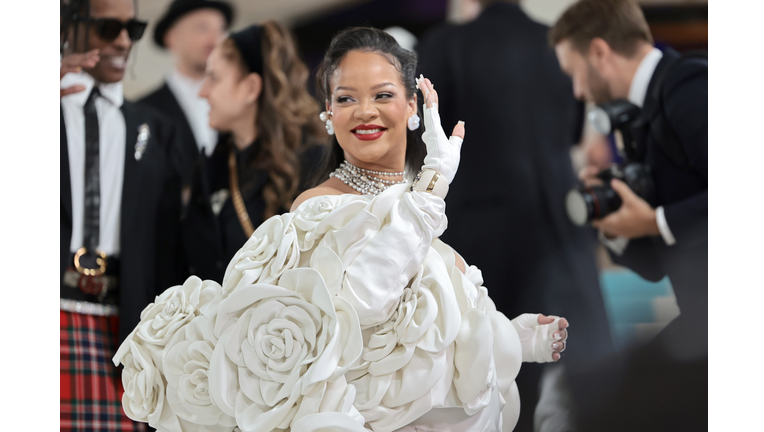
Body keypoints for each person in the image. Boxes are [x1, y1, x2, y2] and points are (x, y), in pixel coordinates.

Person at [114, 27, 570, 432]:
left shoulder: (416, 203)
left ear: (412, 105)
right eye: (347, 99)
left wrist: (517, 338)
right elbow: (361, 306)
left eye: (383, 95)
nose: (365, 112)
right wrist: (431, 189)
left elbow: (434, 329)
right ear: (328, 113)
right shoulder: (319, 207)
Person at [416, 1, 615, 430]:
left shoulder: (447, 45)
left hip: (483, 234)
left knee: (494, 377)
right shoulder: (556, 42)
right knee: (593, 372)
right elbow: (573, 129)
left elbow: (430, 137)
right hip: (560, 222)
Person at [550, 0, 707, 430]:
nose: (577, 92)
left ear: (599, 52)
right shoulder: (638, 116)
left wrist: (656, 221)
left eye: (574, 73)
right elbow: (654, 267)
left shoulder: (689, 86)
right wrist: (616, 224)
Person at [59, 0, 190, 430]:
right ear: (69, 28)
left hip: (128, 327)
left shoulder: (157, 129)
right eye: (107, 28)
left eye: (131, 30)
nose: (122, 41)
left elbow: (167, 247)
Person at [173, 22, 326, 284]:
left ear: (251, 88)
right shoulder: (211, 169)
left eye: (214, 78)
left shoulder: (315, 163)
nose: (203, 92)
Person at [139, 0, 233, 159]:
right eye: (202, 28)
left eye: (221, 29)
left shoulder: (238, 102)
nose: (215, 39)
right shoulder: (145, 111)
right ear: (172, 38)